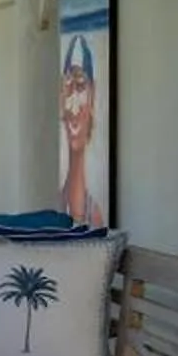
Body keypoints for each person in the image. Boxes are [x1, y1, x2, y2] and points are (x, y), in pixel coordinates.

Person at [59, 36, 104, 229]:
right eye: (68, 88)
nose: (73, 107)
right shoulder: (58, 203)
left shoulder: (94, 214)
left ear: (92, 96)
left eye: (80, 86)